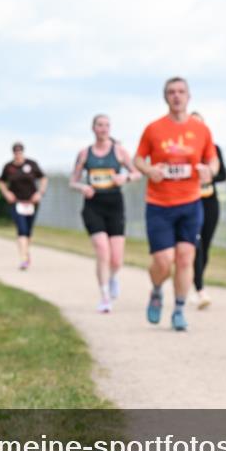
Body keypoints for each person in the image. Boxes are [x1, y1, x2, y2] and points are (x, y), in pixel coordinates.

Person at [133, 78, 220, 331]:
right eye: (171, 92)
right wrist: (150, 169)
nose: (176, 96)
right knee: (163, 261)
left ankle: (179, 309)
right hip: (159, 204)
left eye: (181, 92)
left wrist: (209, 171)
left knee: (185, 258)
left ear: (189, 97)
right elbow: (138, 159)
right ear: (165, 97)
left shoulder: (201, 130)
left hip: (190, 203)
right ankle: (157, 290)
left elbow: (212, 161)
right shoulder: (153, 129)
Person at [70, 114, 141, 313]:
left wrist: (124, 178)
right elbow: (72, 181)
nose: (103, 129)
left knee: (116, 258)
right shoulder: (85, 154)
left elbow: (136, 172)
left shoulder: (119, 151)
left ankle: (112, 278)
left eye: (107, 125)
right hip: (93, 205)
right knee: (102, 250)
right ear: (93, 128)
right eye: (100, 125)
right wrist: (82, 187)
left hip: (114, 204)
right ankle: (104, 296)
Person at [190, 111, 226, 309]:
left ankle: (195, 280)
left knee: (206, 246)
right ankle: (200, 289)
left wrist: (209, 175)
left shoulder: (214, 150)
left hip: (210, 202)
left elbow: (223, 175)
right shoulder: (185, 150)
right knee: (196, 245)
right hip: (190, 202)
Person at [0, 143, 48, 270]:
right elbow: (1, 181)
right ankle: (23, 258)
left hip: (32, 202)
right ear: (13, 153)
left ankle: (26, 252)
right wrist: (6, 193)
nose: (18, 153)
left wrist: (40, 193)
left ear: (23, 152)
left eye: (20, 151)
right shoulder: (8, 167)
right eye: (16, 151)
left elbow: (43, 178)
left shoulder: (31, 164)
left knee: (29, 231)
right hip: (17, 202)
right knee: (21, 230)